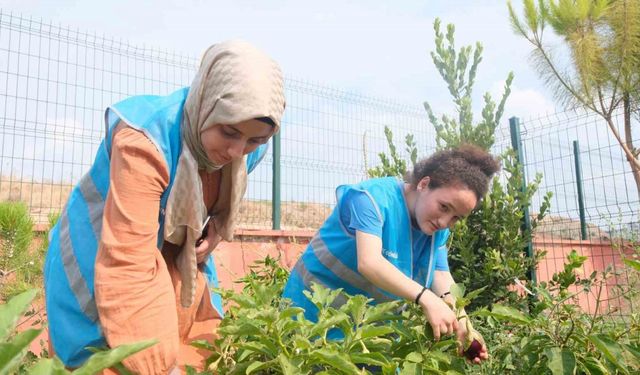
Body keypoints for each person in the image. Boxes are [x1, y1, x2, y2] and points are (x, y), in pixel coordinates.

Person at [44, 40, 286, 373]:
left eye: (255, 140)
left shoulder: (247, 145)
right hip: (105, 252)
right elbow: (128, 264)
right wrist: (160, 367)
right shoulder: (143, 142)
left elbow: (219, 189)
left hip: (168, 258)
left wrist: (217, 222)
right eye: (229, 132)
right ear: (206, 104)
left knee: (195, 344)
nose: (237, 151)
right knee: (107, 357)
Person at [283, 144, 499, 363]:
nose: (445, 222)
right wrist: (427, 299)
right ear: (424, 184)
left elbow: (441, 276)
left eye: (456, 218)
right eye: (444, 207)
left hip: (369, 335)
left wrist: (462, 322)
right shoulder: (372, 199)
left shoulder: (435, 229)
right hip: (312, 317)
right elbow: (369, 262)